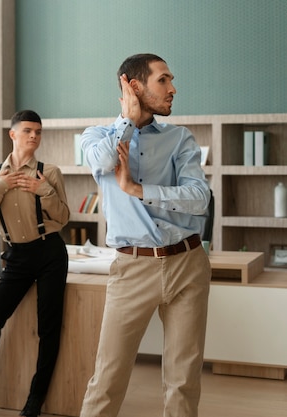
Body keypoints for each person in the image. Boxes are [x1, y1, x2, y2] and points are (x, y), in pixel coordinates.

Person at [79, 54, 212, 417]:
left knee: (183, 380)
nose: (173, 89)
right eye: (163, 80)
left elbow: (200, 198)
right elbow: (103, 163)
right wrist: (127, 119)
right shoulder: (97, 136)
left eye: (170, 80)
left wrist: (139, 190)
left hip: (188, 264)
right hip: (132, 268)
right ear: (134, 86)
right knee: (108, 378)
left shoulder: (179, 138)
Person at [0, 109, 70, 417]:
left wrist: (44, 191)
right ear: (12, 134)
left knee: (48, 328)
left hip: (50, 252)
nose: (34, 136)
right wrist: (0, 186)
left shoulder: (48, 172)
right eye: (27, 130)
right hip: (16, 256)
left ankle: (35, 399)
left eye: (38, 132)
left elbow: (64, 217)